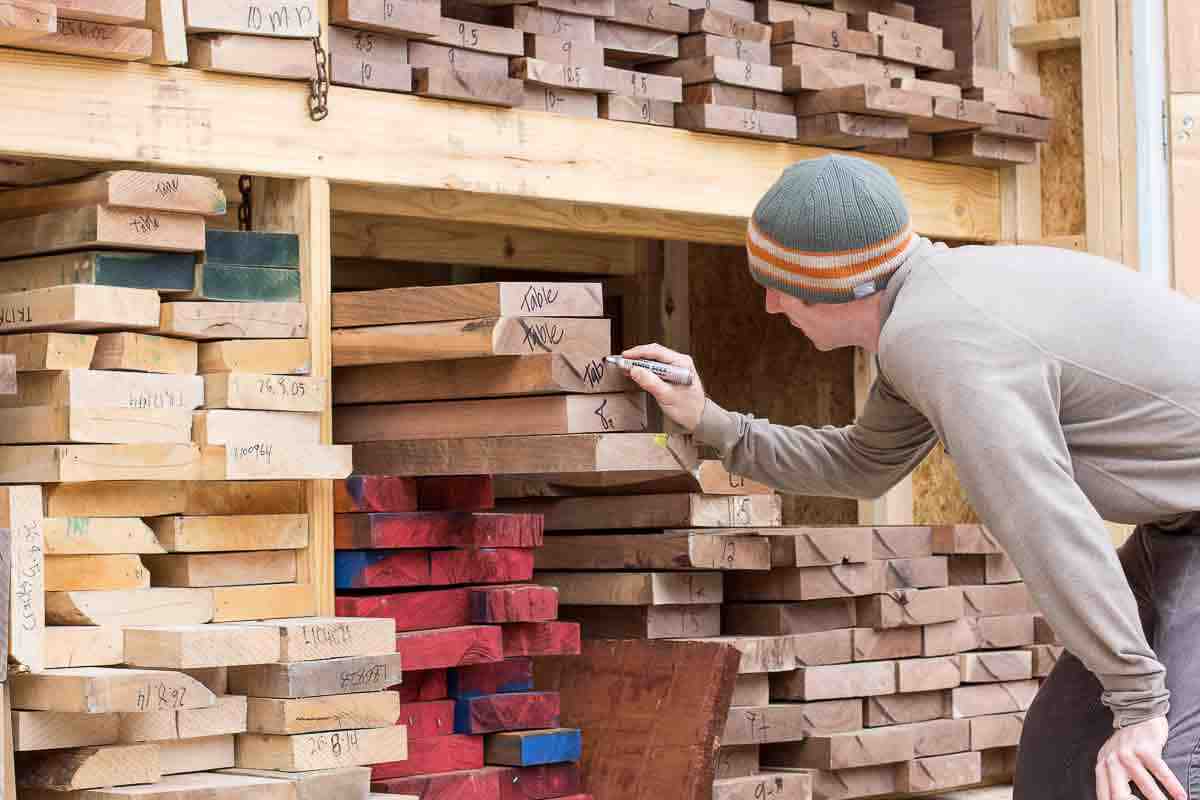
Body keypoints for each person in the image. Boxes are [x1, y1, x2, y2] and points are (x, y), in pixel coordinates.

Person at [618, 155, 1200, 800]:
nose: (771, 304)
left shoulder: (945, 339)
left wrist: (1139, 703)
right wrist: (711, 421)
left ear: (848, 286)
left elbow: (1045, 521)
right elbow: (865, 464)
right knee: (1060, 757)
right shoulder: (924, 309)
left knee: (1162, 771)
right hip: (1179, 528)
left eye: (785, 285)